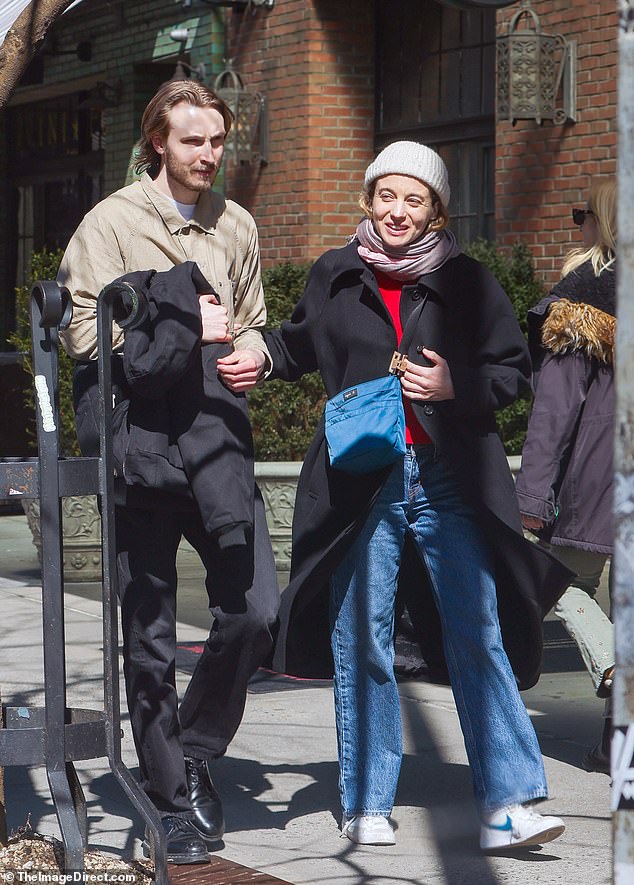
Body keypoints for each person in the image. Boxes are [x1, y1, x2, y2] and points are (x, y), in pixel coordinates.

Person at [218, 141, 573, 852]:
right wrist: (256, 351)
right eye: (387, 195)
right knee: (364, 640)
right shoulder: (335, 272)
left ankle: (508, 803)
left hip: (451, 478)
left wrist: (454, 386)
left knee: (479, 633)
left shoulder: (468, 282)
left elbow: (513, 372)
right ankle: (366, 801)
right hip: (362, 477)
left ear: (436, 208)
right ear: (369, 198)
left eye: (415, 199)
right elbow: (294, 346)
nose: (398, 211)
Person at [57, 79, 280, 865]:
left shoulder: (238, 224)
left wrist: (249, 349)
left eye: (217, 141)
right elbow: (84, 333)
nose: (208, 155)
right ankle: (168, 800)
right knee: (148, 635)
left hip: (218, 442)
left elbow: (250, 320)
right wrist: (178, 318)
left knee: (256, 609)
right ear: (159, 139)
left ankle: (191, 748)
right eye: (193, 141)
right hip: (143, 444)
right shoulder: (112, 222)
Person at [515, 179, 616, 775]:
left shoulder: (582, 302)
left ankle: (609, 662)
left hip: (596, 478)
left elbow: (555, 410)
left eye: (582, 214)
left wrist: (531, 494)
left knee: (549, 578)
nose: (575, 223)